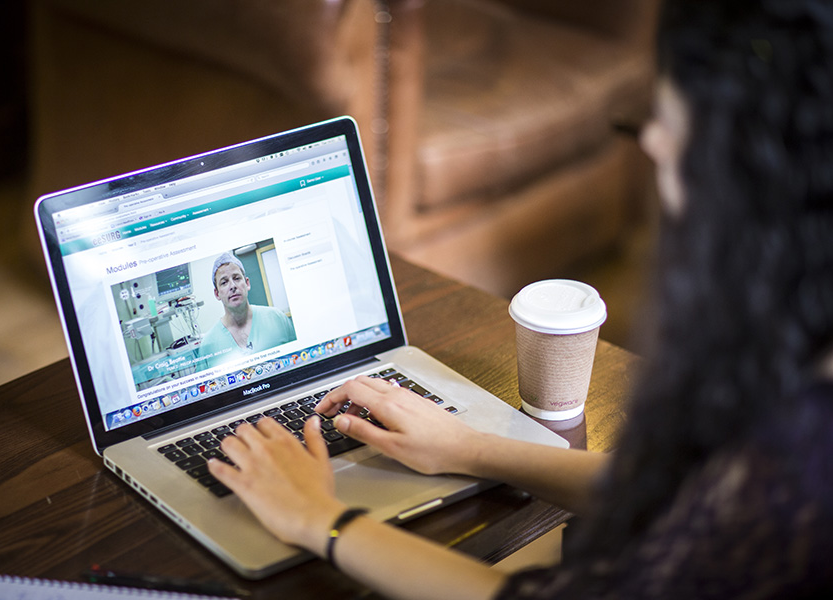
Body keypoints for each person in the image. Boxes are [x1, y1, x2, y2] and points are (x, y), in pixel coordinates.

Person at [207, 1, 833, 597]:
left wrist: (322, 520)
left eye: (667, 122)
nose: (652, 145)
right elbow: (688, 493)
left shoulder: (805, 458)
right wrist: (474, 448)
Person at [199, 252, 295, 367]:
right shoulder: (208, 344)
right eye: (224, 282)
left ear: (247, 283)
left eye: (237, 278)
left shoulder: (277, 318)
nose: (233, 286)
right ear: (217, 293)